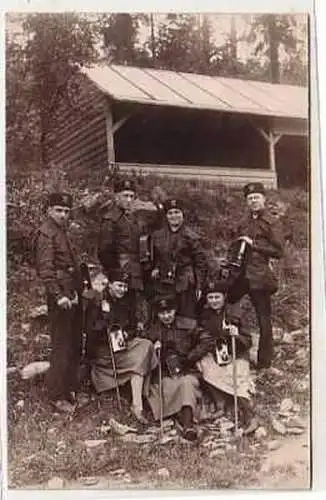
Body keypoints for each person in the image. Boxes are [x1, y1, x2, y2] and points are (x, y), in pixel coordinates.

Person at [85, 269, 158, 424]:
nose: (122, 290)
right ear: (109, 284)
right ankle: (137, 404)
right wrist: (105, 325)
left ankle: (137, 403)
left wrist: (126, 334)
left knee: (146, 346)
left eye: (125, 286)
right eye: (119, 285)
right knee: (139, 358)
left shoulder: (125, 302)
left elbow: (131, 327)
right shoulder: (97, 301)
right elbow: (90, 331)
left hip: (122, 346)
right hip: (103, 351)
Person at [228, 182, 284, 370]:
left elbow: (278, 251)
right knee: (224, 304)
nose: (253, 201)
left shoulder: (272, 222)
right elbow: (235, 244)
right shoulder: (244, 222)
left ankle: (264, 362)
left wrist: (254, 245)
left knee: (263, 319)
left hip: (260, 276)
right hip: (241, 275)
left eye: (256, 198)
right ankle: (230, 349)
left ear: (264, 199)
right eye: (250, 198)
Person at [35, 192, 83, 413]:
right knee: (61, 345)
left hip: (73, 294)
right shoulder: (46, 234)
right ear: (49, 210)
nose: (63, 214)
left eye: (66, 211)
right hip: (61, 298)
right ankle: (56, 395)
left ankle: (70, 388)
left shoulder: (63, 232)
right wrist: (58, 295)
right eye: (58, 210)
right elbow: (46, 270)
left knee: (74, 343)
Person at [98, 178, 163, 329]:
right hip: (121, 272)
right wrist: (116, 275)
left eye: (131, 196)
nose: (128, 200)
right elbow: (104, 251)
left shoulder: (131, 219)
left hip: (134, 272)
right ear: (116, 197)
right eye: (125, 195)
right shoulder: (110, 219)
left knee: (133, 311)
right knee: (120, 312)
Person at [146, 296, 212, 441]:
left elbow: (207, 340)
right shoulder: (152, 331)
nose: (167, 316)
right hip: (165, 373)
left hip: (187, 370)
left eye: (169, 312)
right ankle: (182, 419)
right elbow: (145, 354)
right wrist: (154, 350)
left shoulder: (189, 324)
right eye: (162, 313)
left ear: (175, 310)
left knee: (186, 383)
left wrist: (190, 357)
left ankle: (188, 425)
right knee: (166, 388)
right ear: (157, 314)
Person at [197, 280, 259, 434]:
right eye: (210, 298)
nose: (214, 301)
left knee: (237, 377)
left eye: (217, 297)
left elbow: (248, 341)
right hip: (217, 354)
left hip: (237, 354)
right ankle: (220, 405)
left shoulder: (235, 313)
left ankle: (249, 416)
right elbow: (200, 336)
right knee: (203, 365)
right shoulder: (205, 316)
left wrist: (236, 335)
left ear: (224, 297)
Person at [151, 199, 208, 327]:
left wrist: (199, 286)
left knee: (185, 318)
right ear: (166, 216)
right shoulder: (158, 236)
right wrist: (156, 267)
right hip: (164, 283)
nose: (174, 216)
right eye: (170, 213)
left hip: (185, 283)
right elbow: (155, 257)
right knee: (165, 315)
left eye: (177, 212)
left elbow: (201, 263)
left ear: (182, 215)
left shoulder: (191, 237)